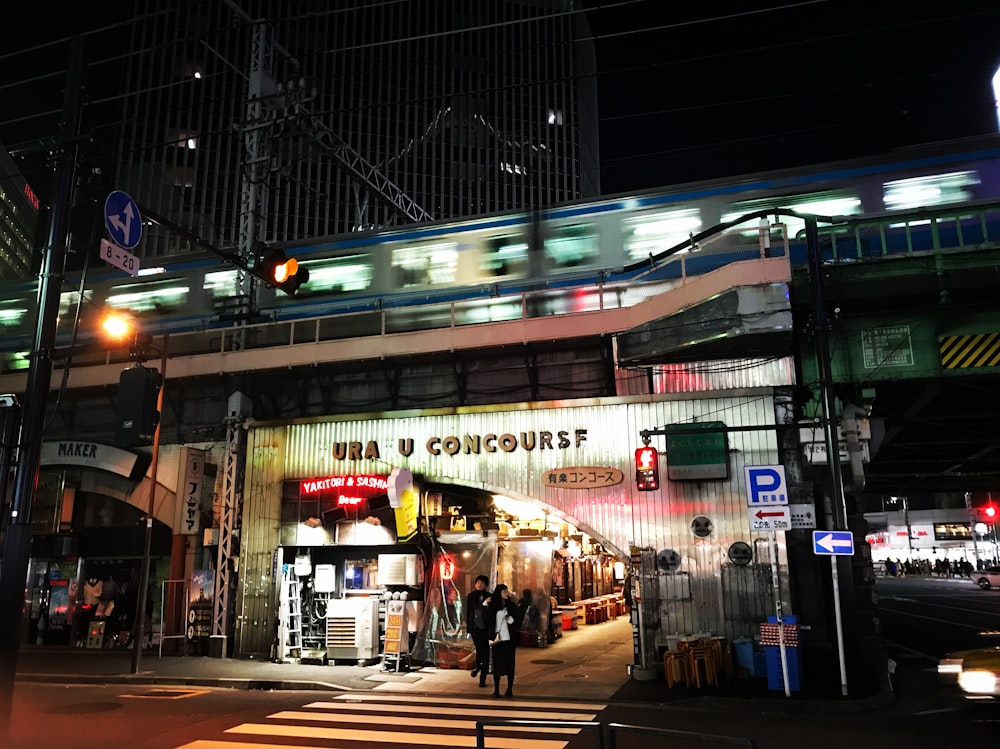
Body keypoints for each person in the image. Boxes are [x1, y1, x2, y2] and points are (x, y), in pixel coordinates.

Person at [487, 583, 522, 697]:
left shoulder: (511, 605)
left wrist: (511, 620)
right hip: (497, 639)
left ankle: (509, 689)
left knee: (510, 664)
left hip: (509, 639)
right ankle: (496, 689)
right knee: (497, 664)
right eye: (504, 591)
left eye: (507, 591)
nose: (506, 593)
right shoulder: (493, 606)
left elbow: (518, 620)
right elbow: (488, 620)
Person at [465, 575, 491, 687]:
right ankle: (478, 667)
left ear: (485, 585)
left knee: (485, 651)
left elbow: (491, 613)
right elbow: (469, 611)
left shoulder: (489, 596)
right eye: (477, 582)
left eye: (482, 583)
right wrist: (468, 627)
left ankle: (482, 677)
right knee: (481, 650)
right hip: (475, 628)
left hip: (485, 628)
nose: (479, 584)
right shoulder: (471, 596)